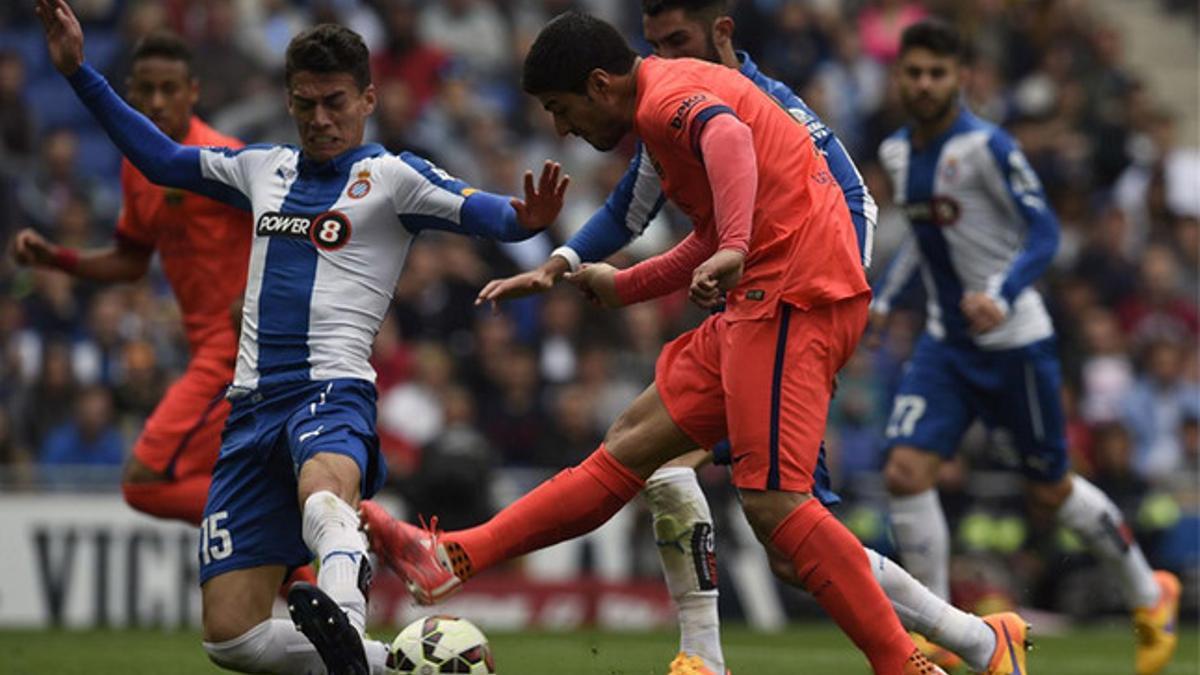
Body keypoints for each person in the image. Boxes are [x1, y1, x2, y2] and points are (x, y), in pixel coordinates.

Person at [454, 2, 1027, 674]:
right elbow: (638, 211)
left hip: (794, 304)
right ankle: (701, 650)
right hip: (755, 303)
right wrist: (573, 265)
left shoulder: (726, 104)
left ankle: (938, 650)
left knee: (782, 519)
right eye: (656, 43)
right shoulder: (671, 111)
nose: (667, 53)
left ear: (722, 33)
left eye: (678, 40)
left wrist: (800, 309)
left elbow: (844, 205)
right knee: (646, 448)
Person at [36, 2, 568, 673]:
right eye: (304, 103)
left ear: (368, 98)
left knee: (323, 494)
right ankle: (387, 664)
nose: (319, 119)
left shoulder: (392, 178)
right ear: (289, 101)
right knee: (230, 638)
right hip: (250, 409)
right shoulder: (262, 169)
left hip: (330, 391)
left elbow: (484, 212)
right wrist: (80, 73)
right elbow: (164, 159)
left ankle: (343, 618)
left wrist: (528, 219)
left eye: (335, 102)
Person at [871, 19, 1179, 675]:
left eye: (937, 73)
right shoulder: (899, 152)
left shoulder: (987, 146)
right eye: (914, 72)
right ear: (900, 77)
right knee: (905, 471)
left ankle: (1151, 593)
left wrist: (1002, 294)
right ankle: (936, 629)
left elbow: (1043, 232)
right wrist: (883, 301)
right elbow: (926, 248)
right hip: (946, 344)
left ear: (962, 78)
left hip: (1014, 341)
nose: (924, 84)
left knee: (1050, 489)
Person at [11, 31, 249, 528]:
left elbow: (288, 229)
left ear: (193, 91)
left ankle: (280, 529)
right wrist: (57, 258)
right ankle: (298, 569)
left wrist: (259, 291)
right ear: (131, 94)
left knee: (145, 481)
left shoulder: (225, 159)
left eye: (170, 89)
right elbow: (132, 260)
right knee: (227, 481)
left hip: (236, 355)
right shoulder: (138, 169)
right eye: (148, 90)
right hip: (206, 353)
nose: (158, 101)